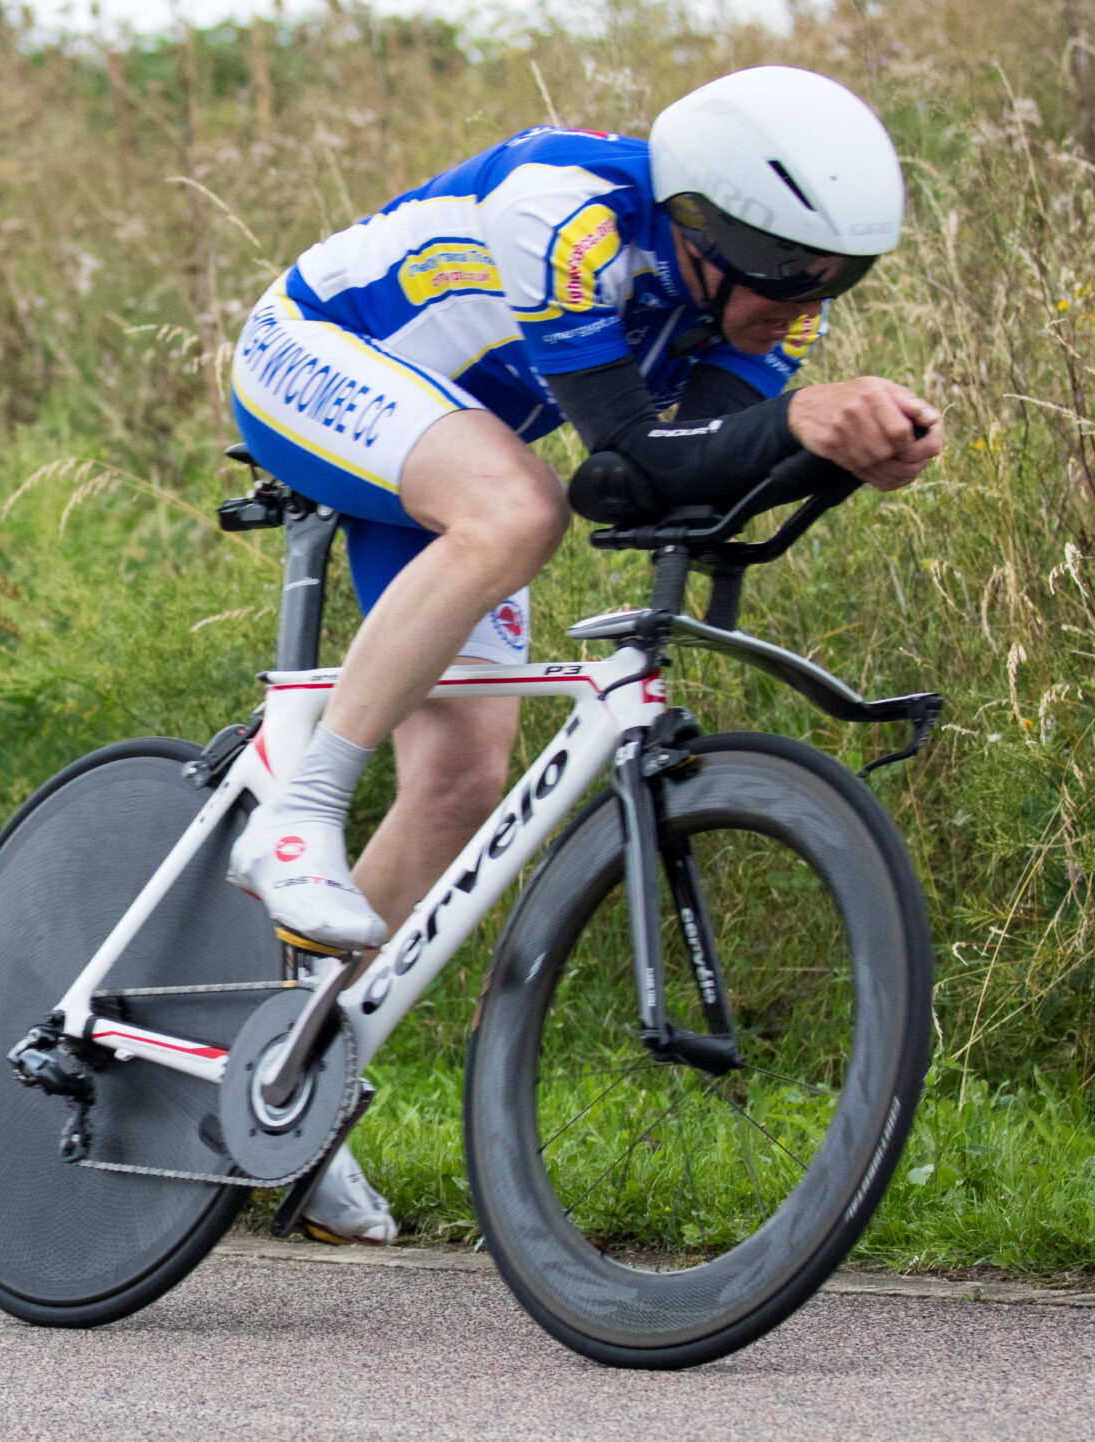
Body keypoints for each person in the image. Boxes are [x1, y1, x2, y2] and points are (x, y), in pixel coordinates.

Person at [223, 66, 946, 1246]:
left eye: (835, 278)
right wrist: (798, 418)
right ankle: (293, 814)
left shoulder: (766, 298)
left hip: (451, 445)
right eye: (783, 271)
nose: (804, 301)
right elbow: (620, 457)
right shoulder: (566, 209)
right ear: (703, 225)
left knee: (463, 771)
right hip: (317, 356)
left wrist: (839, 446)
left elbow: (685, 467)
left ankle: (286, 1077)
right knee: (518, 511)